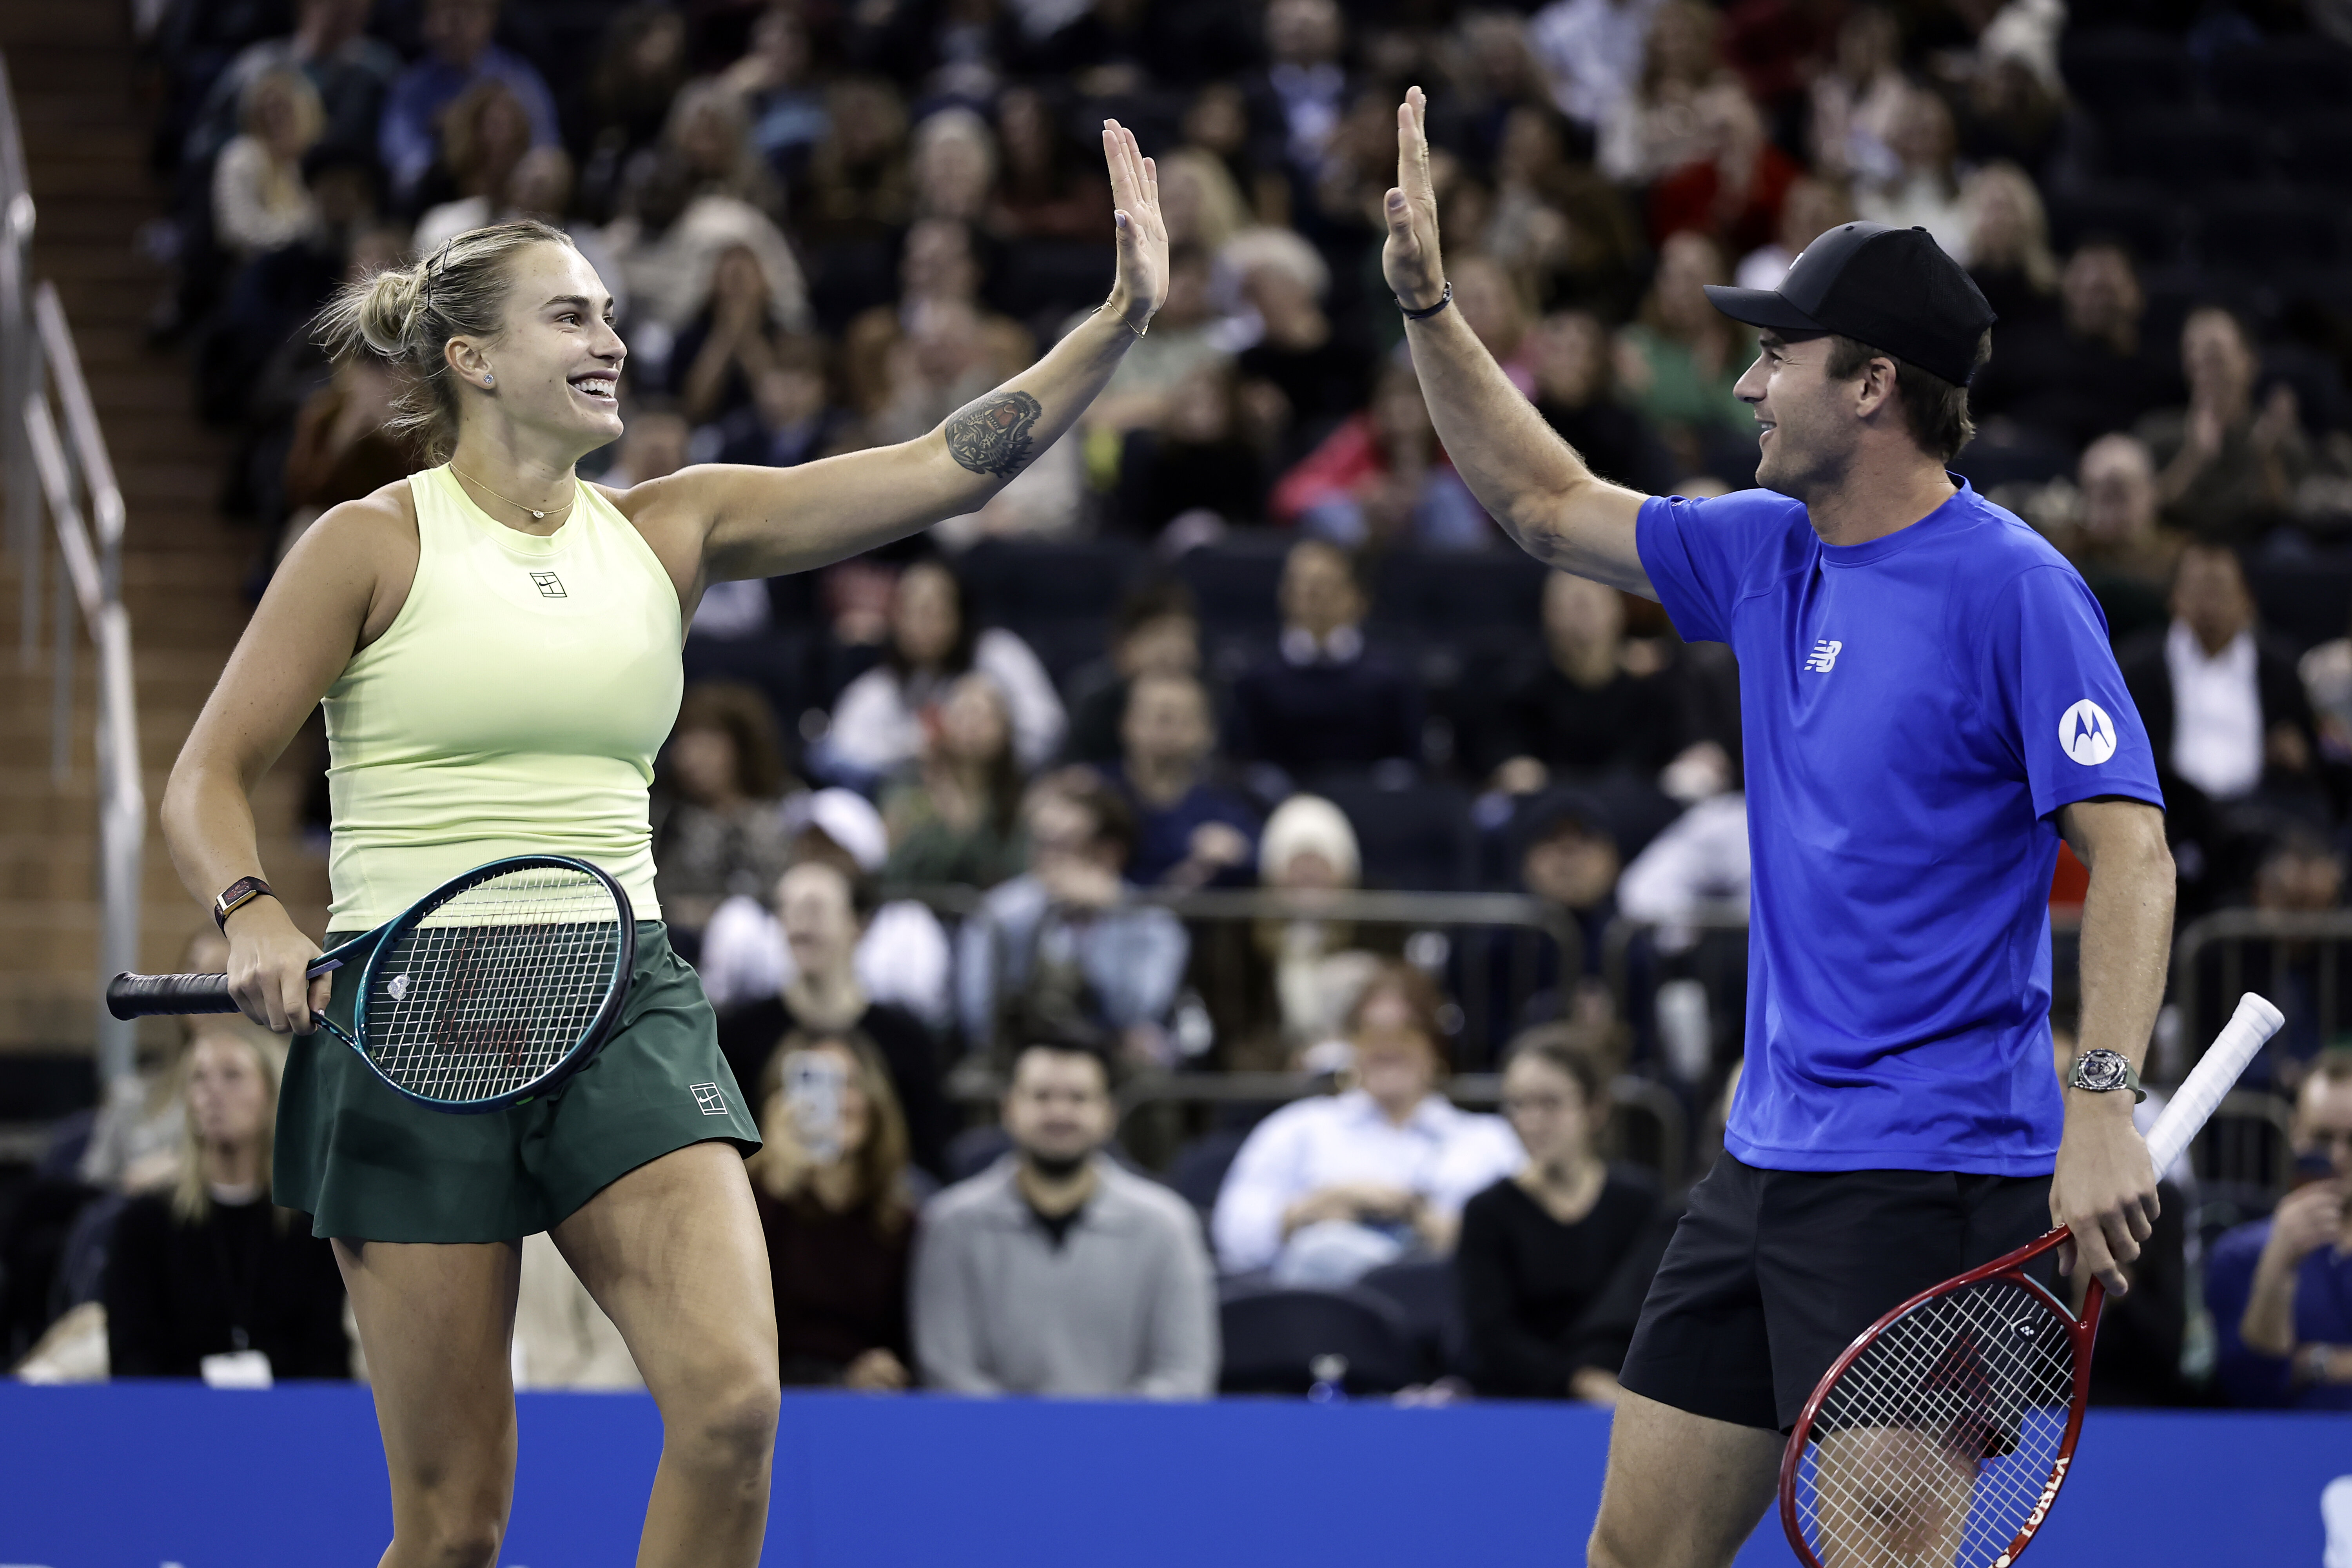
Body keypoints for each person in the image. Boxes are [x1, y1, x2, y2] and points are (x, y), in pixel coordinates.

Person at [161, 116, 1165, 1565]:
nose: (612, 341)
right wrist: (251, 907)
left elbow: (948, 467)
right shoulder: (369, 543)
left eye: (613, 315)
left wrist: (1117, 322)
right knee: (452, 1529)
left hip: (618, 993)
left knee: (734, 1408)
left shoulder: (669, 528)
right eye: (571, 315)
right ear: (471, 357)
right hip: (408, 1011)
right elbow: (206, 775)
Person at [1380, 87, 2172, 1568]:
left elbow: (2129, 847)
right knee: (1634, 1553)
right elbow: (1542, 501)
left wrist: (2102, 1104)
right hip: (1764, 1157)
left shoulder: (2015, 589)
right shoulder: (1762, 551)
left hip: (1929, 1177)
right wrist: (1428, 307)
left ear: (1869, 385)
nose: (1746, 382)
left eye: (1776, 356)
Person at [910, 1036, 1218, 1397]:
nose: (1059, 1113)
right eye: (1042, 1096)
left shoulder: (1167, 1226)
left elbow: (1184, 1375)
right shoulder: (951, 1225)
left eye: (1079, 1098)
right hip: (988, 1435)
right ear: (1008, 1109)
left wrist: (1098, 1430)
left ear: (1109, 1114)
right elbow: (947, 1372)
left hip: (1129, 1435)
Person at [1212, 962, 1523, 1283]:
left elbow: (1528, 1244)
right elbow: (1233, 1237)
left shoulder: (1488, 1140)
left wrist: (1421, 1218)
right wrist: (1314, 1207)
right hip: (1322, 1303)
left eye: (1405, 1031)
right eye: (1370, 1031)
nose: (1387, 1046)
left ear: (1435, 1045)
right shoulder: (1298, 1128)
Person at [103, 1029, 349, 1380]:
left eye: (232, 1075)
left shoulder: (311, 1228)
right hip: (176, 1408)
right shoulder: (145, 1223)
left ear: (272, 1095)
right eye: (199, 1078)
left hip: (285, 1409)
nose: (212, 1092)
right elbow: (131, 1359)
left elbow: (326, 1359)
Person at [1457, 1027, 1669, 1401]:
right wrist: (1580, 1382)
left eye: (1550, 1103)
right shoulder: (1487, 1212)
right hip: (1521, 1404)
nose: (1531, 1121)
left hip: (1630, 1397)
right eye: (1519, 1104)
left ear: (1595, 1109)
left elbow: (1652, 1314)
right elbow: (1492, 1338)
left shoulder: (1641, 1202)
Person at [715, 860, 953, 1182]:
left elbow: (929, 1158)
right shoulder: (739, 1035)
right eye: (787, 908)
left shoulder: (906, 1040)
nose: (799, 922)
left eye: (814, 908)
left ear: (859, 924)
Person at [2117, 543, 2321, 910]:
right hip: (2173, 818)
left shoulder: (2280, 669)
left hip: (2261, 819)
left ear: (2248, 601)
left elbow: (2312, 758)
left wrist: (2298, 755)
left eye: (2221, 591)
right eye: (2198, 590)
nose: (2209, 605)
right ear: (2174, 598)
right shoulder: (2138, 669)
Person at [955, 775, 1191, 1064]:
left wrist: (1112, 919)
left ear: (1108, 854)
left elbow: (1134, 1013)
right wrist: (1041, 917)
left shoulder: (1154, 924)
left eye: (1062, 845)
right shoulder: (1000, 912)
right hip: (1020, 1058)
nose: (1044, 858)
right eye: (1039, 843)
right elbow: (980, 1019)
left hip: (1113, 1060)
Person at [746, 1029, 916, 1390]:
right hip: (766, 1395)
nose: (837, 1102)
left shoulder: (902, 1219)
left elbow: (909, 1343)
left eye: (849, 1084)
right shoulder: (743, 1200)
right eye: (816, 1084)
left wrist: (884, 1366)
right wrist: (778, 1183)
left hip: (863, 1404)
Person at [821, 557, 1067, 784]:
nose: (923, 624)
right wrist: (913, 749)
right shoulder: (882, 686)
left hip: (1008, 790)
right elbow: (839, 753)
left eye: (935, 611)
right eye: (912, 612)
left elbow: (1047, 728)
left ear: (959, 613)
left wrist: (990, 751)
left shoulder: (998, 654)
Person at [2205, 1049, 2352, 1410]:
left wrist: (2313, 1363)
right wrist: (2278, 1264)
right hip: (2285, 1441)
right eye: (2323, 1138)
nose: (2338, 1157)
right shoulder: (2238, 1255)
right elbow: (2249, 1389)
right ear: (2295, 1130)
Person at [1229, 539, 1420, 780]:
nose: (1312, 596)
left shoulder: (1391, 677)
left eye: (1323, 586)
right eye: (1300, 585)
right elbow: (1243, 758)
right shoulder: (1256, 675)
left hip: (1369, 793)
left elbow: (1407, 758)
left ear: (1357, 597)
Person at [2138, 306, 2310, 544]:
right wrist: (2193, 457)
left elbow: (2285, 513)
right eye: (2192, 351)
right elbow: (2145, 510)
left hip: (2254, 546)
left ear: (2249, 362)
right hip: (2181, 546)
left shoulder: (2276, 435)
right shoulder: (2157, 432)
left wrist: (2266, 456)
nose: (2202, 363)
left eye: (2215, 353)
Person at [650, 681, 797, 947]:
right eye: (685, 740)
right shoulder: (665, 820)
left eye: (707, 743)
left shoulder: (785, 814)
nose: (689, 756)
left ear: (742, 748)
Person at [377, 0, 559, 206]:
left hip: (513, 202)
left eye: (466, 12)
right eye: (443, 11)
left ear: (491, 17)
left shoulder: (520, 80)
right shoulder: (413, 87)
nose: (453, 24)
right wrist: (451, 148)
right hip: (439, 203)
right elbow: (403, 168)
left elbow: (547, 153)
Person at [880, 672, 1029, 889]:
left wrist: (962, 823)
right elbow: (895, 868)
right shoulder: (911, 785)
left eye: (982, 717)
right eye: (961, 715)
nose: (971, 726)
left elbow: (1012, 872)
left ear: (1005, 730)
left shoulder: (1018, 797)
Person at [1115, 671, 1260, 890]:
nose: (1165, 730)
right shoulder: (1095, 791)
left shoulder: (1230, 801)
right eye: (1155, 716)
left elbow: (1264, 859)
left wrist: (1238, 852)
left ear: (1207, 732)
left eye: (1180, 719)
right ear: (1126, 723)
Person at [1061, 579, 1205, 768]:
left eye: (1183, 637)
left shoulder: (1212, 693)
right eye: (1158, 636)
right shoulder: (1097, 700)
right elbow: (1072, 769)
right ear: (1125, 647)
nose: (1173, 652)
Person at [212, 68, 326, 258]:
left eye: (284, 108)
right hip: (259, 264)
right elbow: (238, 231)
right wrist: (300, 234)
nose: (274, 118)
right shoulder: (242, 157)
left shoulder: (320, 158)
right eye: (264, 111)